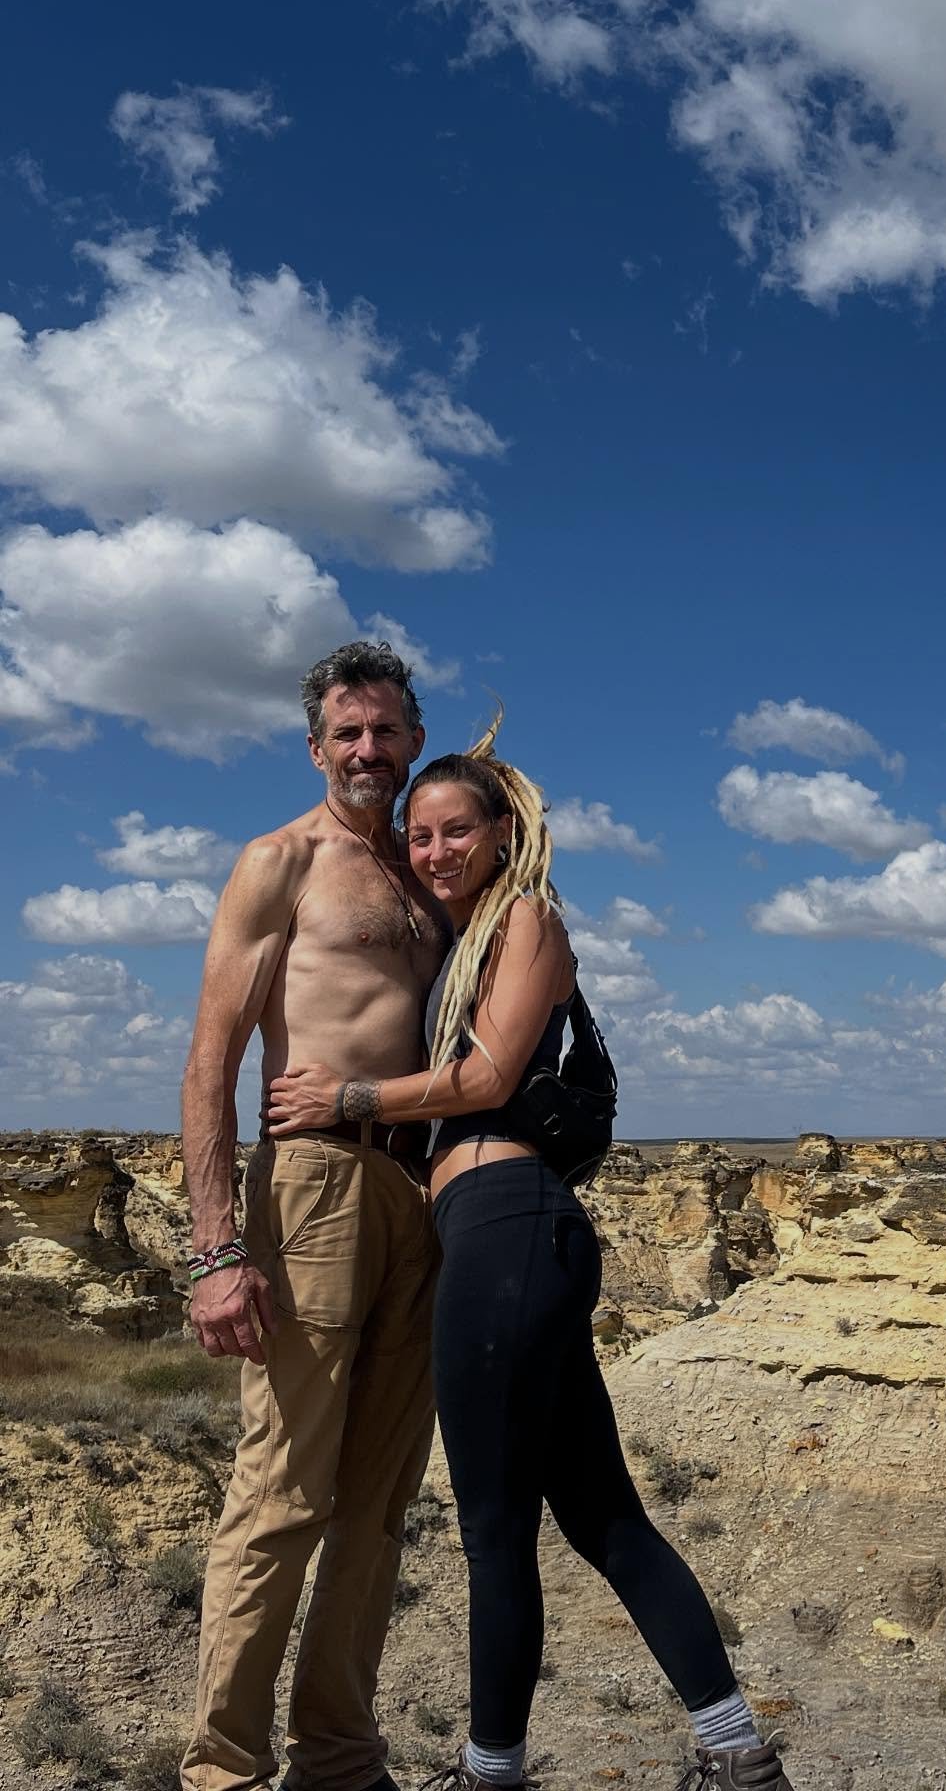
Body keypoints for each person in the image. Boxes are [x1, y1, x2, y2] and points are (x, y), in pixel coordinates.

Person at [266, 717, 793, 1791]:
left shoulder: (527, 922)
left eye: (456, 831)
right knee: (602, 1518)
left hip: (509, 1234)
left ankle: (488, 1772)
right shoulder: (467, 940)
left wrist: (347, 1097)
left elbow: (490, 1079)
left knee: (495, 1533)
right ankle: (739, 1754)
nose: (434, 851)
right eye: (418, 835)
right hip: (512, 1243)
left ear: (503, 835)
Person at [180, 640, 449, 1791]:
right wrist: (216, 1246)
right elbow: (212, 1059)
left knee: (379, 1503)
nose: (367, 752)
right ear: (314, 746)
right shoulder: (280, 862)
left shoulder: (432, 876)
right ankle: (224, 1772)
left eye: (385, 731)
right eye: (347, 733)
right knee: (282, 1491)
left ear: (412, 742)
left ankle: (338, 1759)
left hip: (419, 1190)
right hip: (315, 1186)